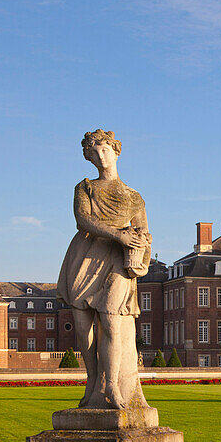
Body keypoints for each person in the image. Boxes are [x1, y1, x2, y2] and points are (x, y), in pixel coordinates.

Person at [57, 130, 152, 409]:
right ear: (89, 157)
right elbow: (83, 220)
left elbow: (145, 232)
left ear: (116, 151)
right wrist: (119, 234)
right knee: (83, 327)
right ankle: (92, 380)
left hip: (118, 262)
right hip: (84, 258)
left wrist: (142, 251)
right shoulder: (85, 187)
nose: (101, 157)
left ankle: (111, 386)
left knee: (110, 321)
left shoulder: (133, 197)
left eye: (105, 150)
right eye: (94, 153)